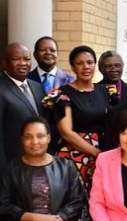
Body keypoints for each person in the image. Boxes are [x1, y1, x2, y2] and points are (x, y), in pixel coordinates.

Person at [43, 46, 118, 190]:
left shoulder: (107, 91)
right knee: (77, 201)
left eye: (90, 62)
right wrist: (97, 153)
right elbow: (67, 133)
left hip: (104, 155)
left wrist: (106, 155)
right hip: (75, 157)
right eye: (80, 63)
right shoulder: (63, 94)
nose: (86, 67)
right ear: (72, 66)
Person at [0, 43, 45, 174]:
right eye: (16, 59)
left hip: (40, 164)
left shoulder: (38, 87)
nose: (22, 63)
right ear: (5, 62)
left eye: (26, 59)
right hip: (14, 169)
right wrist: (1, 175)